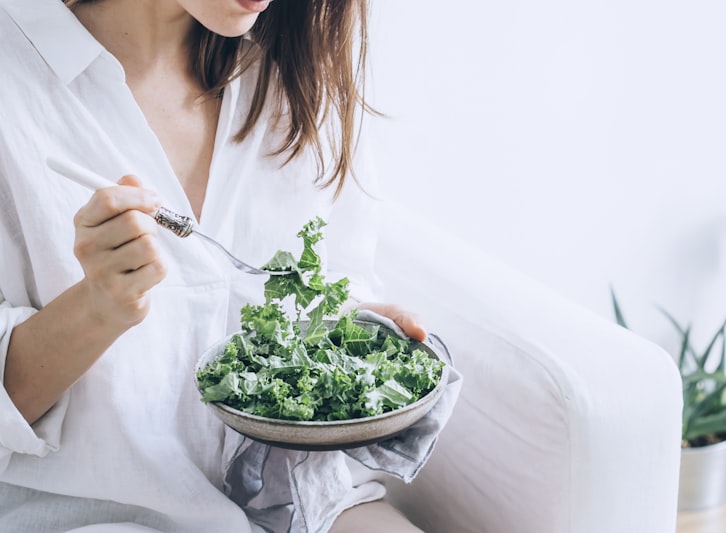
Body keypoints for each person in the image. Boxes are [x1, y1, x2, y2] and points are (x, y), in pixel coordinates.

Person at [0, 0, 460, 531]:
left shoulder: (299, 64)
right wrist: (97, 310)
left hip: (302, 505)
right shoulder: (19, 79)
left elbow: (339, 275)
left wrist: (345, 335)